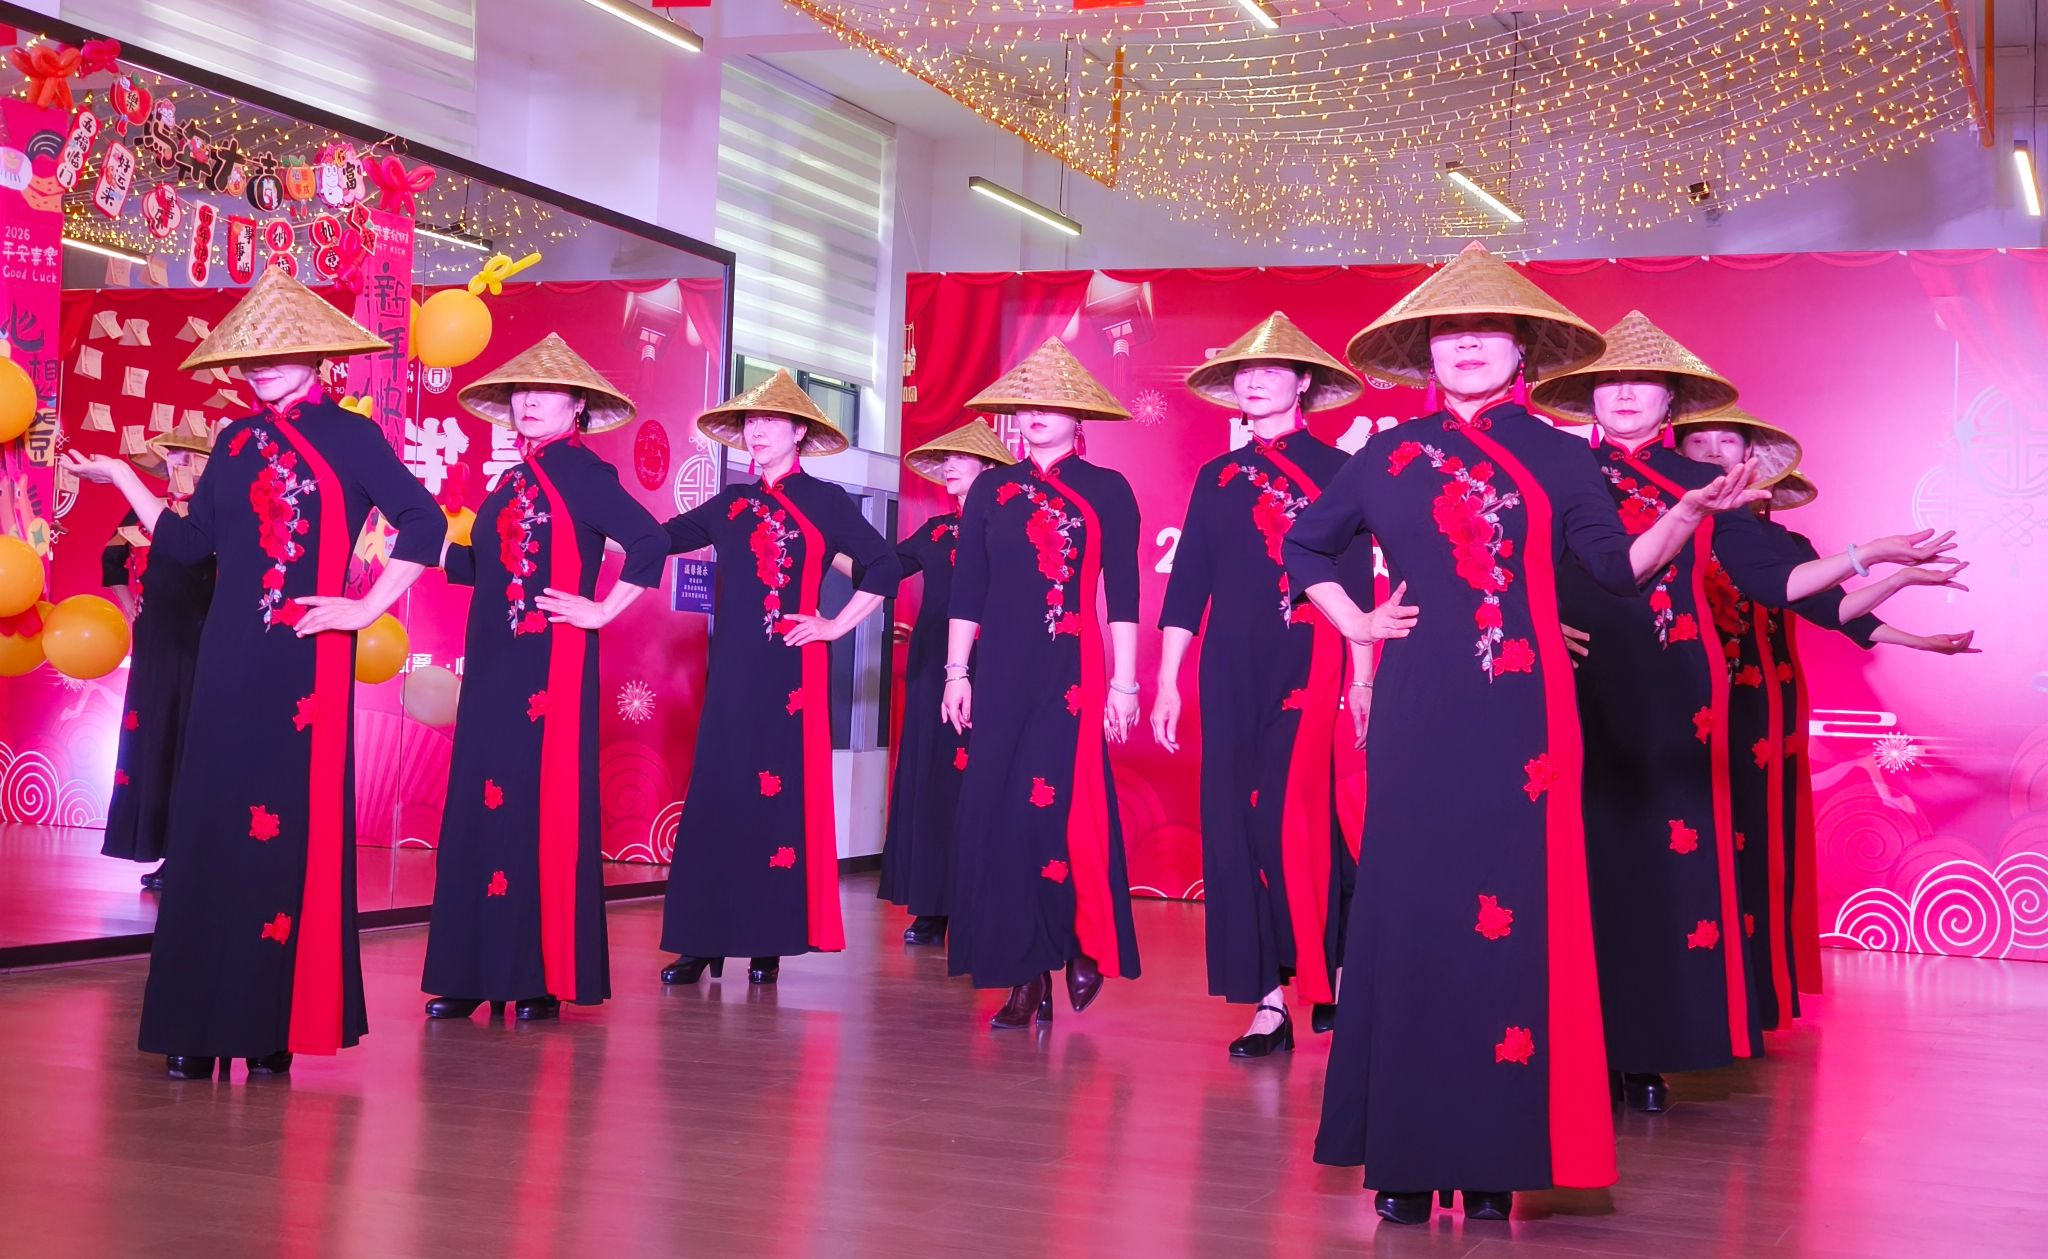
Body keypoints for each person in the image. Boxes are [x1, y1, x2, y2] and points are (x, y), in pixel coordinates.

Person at [1284, 242, 1770, 1225]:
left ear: (1522, 351)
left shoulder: (1560, 454)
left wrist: (1681, 515)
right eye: (1449, 332)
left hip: (1527, 715)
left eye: (1488, 330)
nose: (1467, 345)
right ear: (1427, 349)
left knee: (1512, 921)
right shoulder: (1384, 454)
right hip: (1419, 704)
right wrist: (1356, 621)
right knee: (1410, 914)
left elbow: (1617, 567)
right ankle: (1404, 1152)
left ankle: (1495, 1151)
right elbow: (1305, 543)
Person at [1531, 312, 1965, 1112]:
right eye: (1610, 381)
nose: (1624, 393)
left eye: (1642, 381)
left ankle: (1640, 1047)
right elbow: (1507, 557)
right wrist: (1531, 619)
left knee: (1655, 865)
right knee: (1565, 862)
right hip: (1569, 680)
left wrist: (1871, 555)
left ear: (1671, 399)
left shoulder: (1706, 483)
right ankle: (1565, 1044)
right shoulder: (1555, 466)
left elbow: (1777, 582)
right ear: (1588, 394)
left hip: (1671, 691)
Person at [62, 267, 442, 1080]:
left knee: (285, 834)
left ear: (319, 355)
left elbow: (425, 521)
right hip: (226, 658)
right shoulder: (233, 442)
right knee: (208, 828)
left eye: (280, 351)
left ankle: (271, 1021)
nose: (262, 366)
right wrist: (123, 477)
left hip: (304, 664)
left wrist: (363, 607)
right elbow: (190, 543)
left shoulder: (350, 436)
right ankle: (198, 1022)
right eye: (252, 354)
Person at [1676, 412, 1975, 1026]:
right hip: (1689, 693)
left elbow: (1834, 612)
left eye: (1725, 442)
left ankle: (1747, 990)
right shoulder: (1670, 527)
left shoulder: (1777, 541)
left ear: (1752, 461)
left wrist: (1908, 607)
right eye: (1696, 442)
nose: (1711, 452)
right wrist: (1878, 558)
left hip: (1763, 698)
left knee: (1756, 833)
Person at [420, 334, 668, 1022]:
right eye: (521, 392)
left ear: (577, 405)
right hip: (492, 666)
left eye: (545, 391)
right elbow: (484, 568)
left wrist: (599, 610)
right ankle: (471, 972)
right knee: (479, 808)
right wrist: (422, 542)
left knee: (535, 806)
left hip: (548, 669)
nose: (528, 401)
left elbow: (650, 542)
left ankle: (536, 974)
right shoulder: (512, 480)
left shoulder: (583, 473)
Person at [1151, 312, 1371, 1057]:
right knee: (1236, 825)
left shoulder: (1340, 470)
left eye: (1272, 370)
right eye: (1245, 371)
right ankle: (1268, 1001)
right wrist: (1167, 679)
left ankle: (1329, 970)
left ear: (1303, 381)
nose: (1255, 381)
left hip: (1312, 655)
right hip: (1229, 665)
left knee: (1295, 815)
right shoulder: (1216, 477)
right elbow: (1188, 583)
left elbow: (1354, 581)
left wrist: (1363, 675)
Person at [657, 370, 900, 987]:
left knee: (778, 799)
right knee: (718, 795)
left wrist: (835, 626)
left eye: (771, 421)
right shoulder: (730, 503)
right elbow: (655, 541)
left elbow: (885, 566)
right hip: (733, 671)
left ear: (799, 432)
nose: (757, 431)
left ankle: (767, 939)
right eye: (750, 422)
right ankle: (702, 940)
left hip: (793, 671)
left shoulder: (825, 500)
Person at [941, 338, 1144, 1030]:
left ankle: (1082, 940)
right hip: (999, 671)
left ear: (1078, 415)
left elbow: (1124, 592)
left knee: (1065, 806)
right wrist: (957, 671)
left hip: (1072, 672)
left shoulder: (1107, 489)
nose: (1035, 415)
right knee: (1001, 812)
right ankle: (1026, 971)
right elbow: (968, 589)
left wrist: (1125, 683)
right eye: (1026, 404)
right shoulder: (990, 490)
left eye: (1051, 405)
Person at [877, 418, 1015, 946]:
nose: (949, 466)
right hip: (934, 663)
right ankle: (932, 904)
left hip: (992, 660)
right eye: (945, 459)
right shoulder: (935, 532)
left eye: (961, 457)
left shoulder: (1009, 529)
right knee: (933, 777)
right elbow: (881, 570)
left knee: (983, 780)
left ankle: (981, 903)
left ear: (989, 468)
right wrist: (825, 545)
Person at [100, 429, 213, 892]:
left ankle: (201, 857)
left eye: (194, 458)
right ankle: (165, 852)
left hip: (208, 638)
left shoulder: (216, 512)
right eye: (177, 457)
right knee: (159, 738)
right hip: (158, 641)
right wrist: (130, 605)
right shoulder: (146, 509)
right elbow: (111, 559)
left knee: (198, 741)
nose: (184, 465)